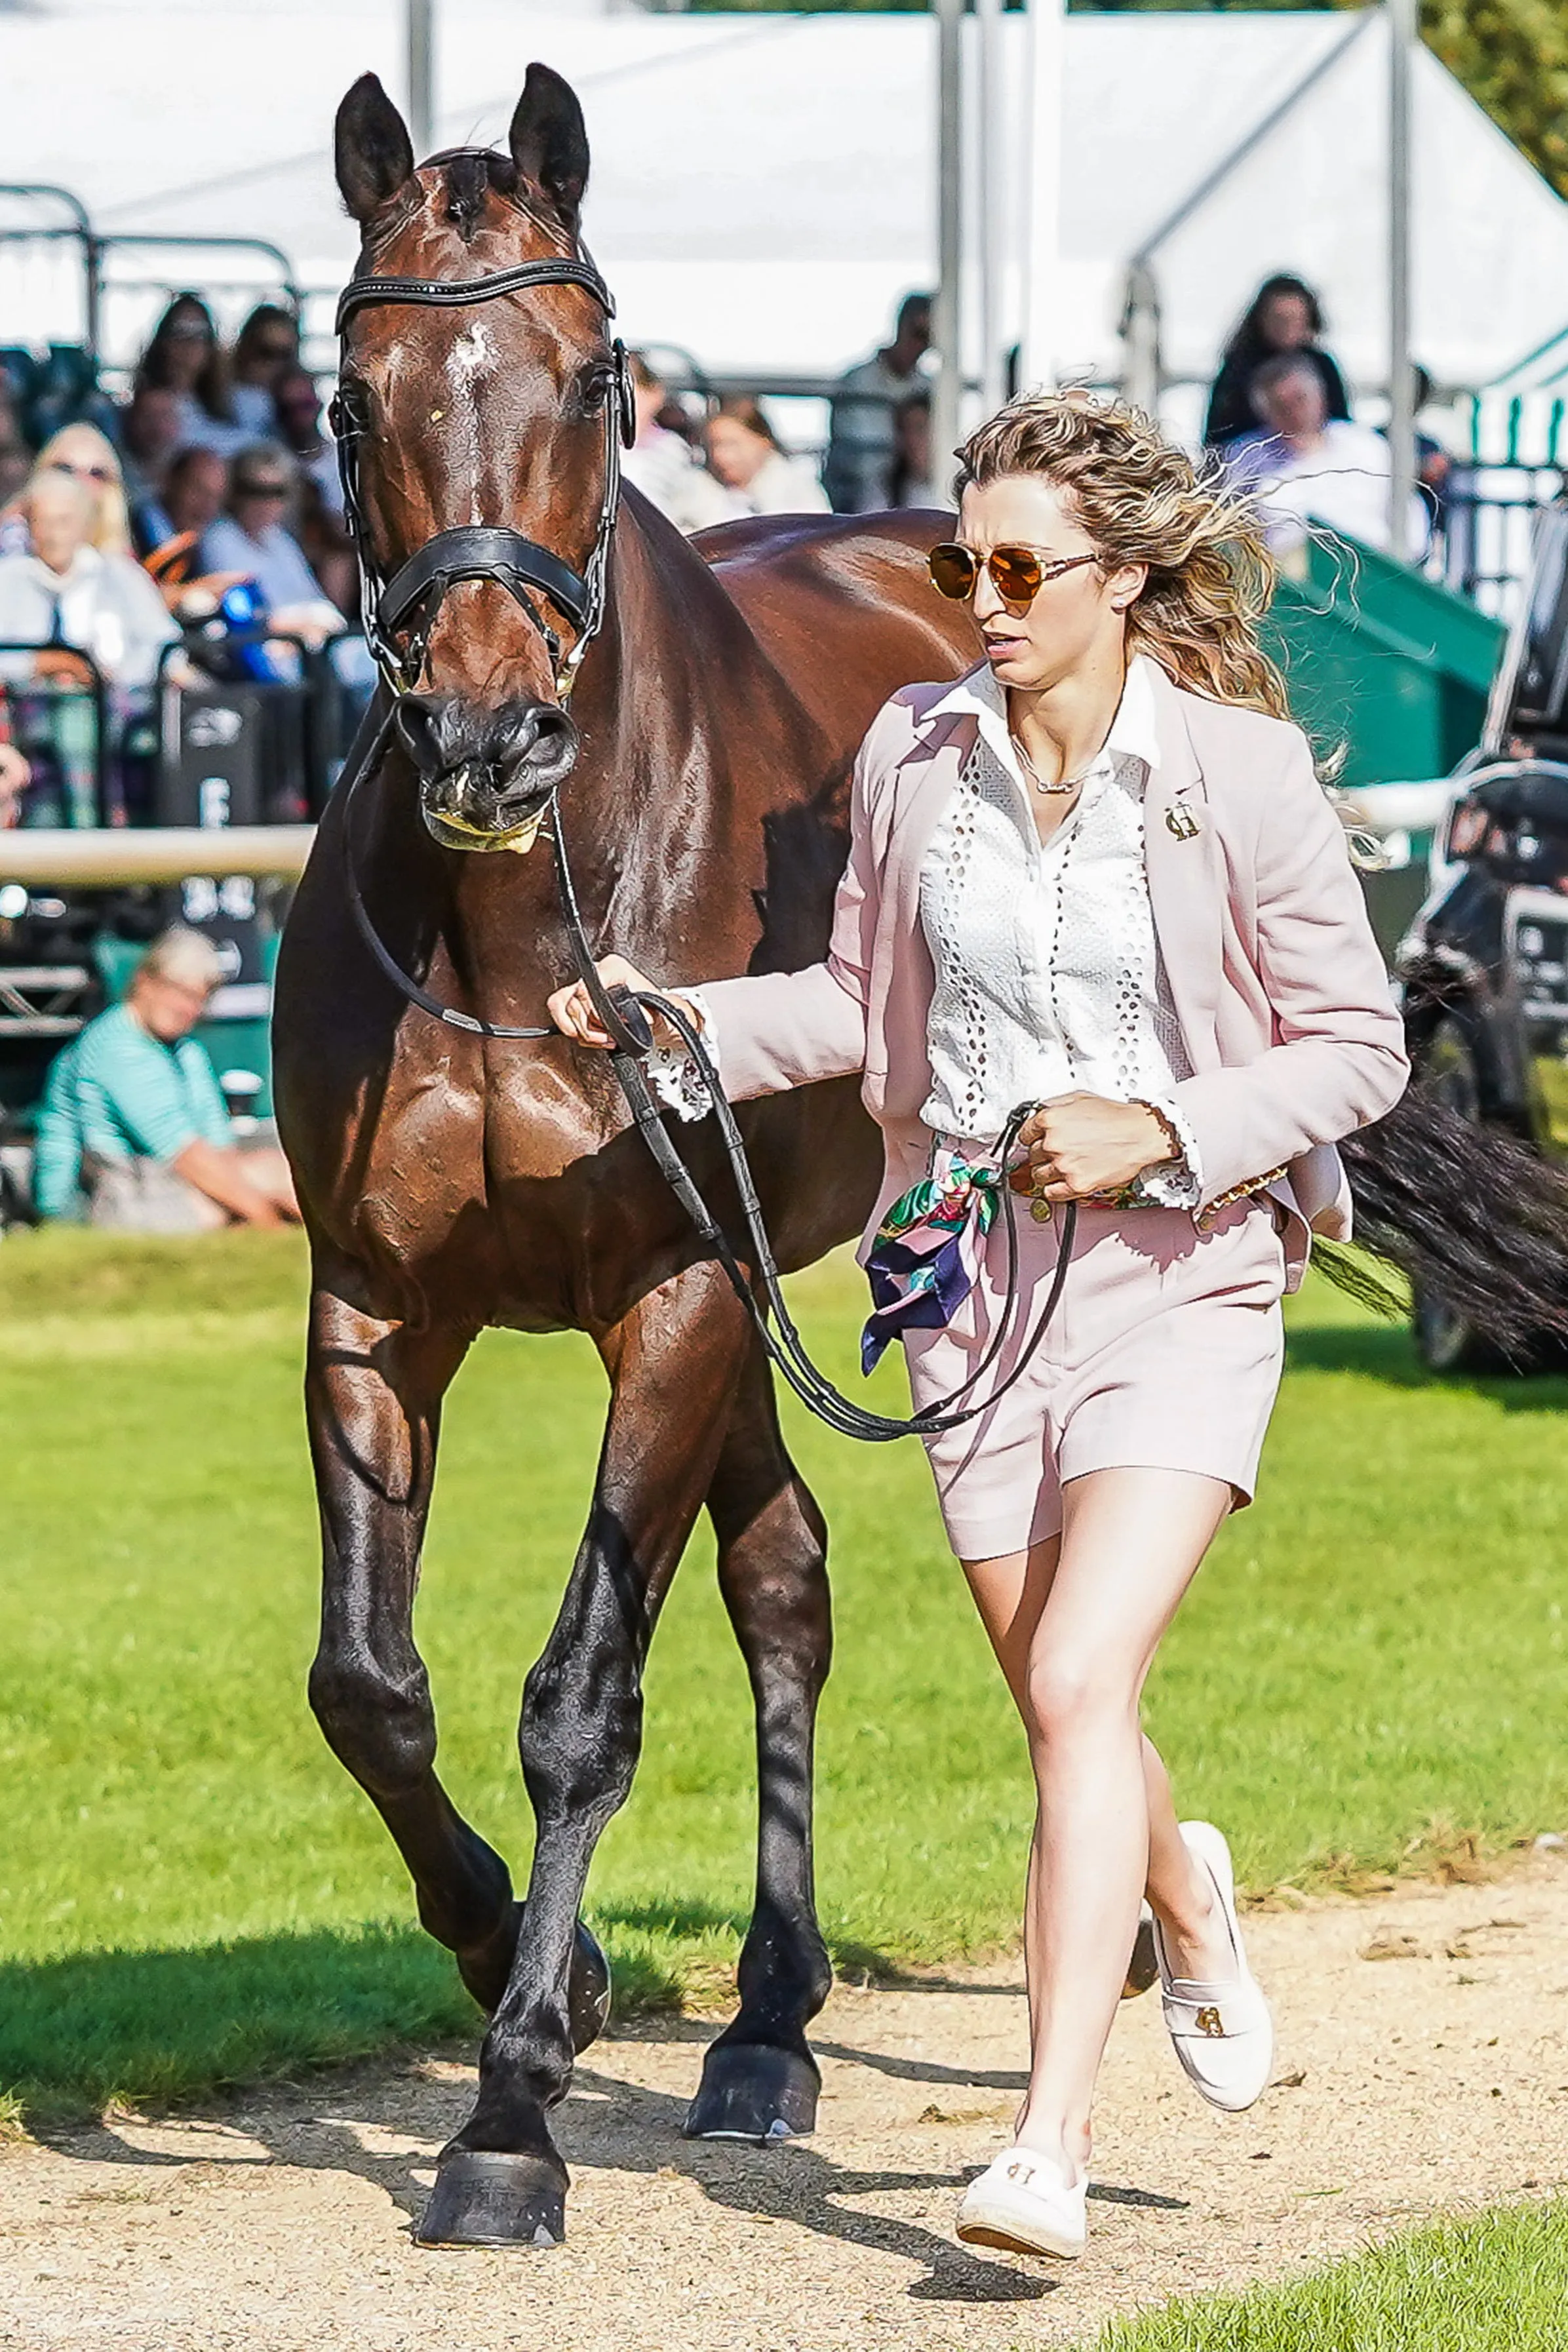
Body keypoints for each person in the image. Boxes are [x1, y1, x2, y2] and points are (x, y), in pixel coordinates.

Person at [550, 387, 1407, 2265]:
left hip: (1182, 1281)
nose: (983, 599)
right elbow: (862, 999)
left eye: (1020, 568)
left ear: (1128, 577)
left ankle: (1045, 2145)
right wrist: (675, 1024)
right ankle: (1183, 1888)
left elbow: (1360, 1048)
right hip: (962, 1285)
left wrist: (1163, 1124)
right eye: (964, 563)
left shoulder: (1236, 778)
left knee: (1084, 1683)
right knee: (1059, 1695)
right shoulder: (913, 753)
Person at [31, 928, 300, 1230]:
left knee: (280, 1171)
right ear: (145, 981)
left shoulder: (186, 1051)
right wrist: (266, 1219)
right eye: (182, 993)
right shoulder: (114, 1046)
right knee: (249, 1192)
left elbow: (220, 1146)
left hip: (161, 1183)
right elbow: (184, 1155)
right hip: (104, 1197)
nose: (190, 1009)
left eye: (201, 999)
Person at [1223, 353, 1421, 560]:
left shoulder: (1366, 446)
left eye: (1300, 399)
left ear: (1320, 397)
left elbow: (1409, 518)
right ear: (1264, 411)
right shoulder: (1246, 458)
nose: (1293, 412)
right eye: (1281, 406)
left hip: (1372, 566)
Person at [197, 444, 346, 642]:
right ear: (235, 493)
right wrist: (301, 623)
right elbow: (240, 613)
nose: (267, 503)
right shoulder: (219, 537)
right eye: (256, 491)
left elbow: (314, 598)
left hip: (302, 642)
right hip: (251, 648)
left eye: (277, 492)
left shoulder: (280, 539)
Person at [1204, 275, 1350, 451]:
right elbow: (1218, 433)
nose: (1287, 328)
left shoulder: (1322, 366)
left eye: (1295, 319)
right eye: (1279, 320)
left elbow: (1340, 423)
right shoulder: (1239, 368)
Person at [825, 292, 933, 513]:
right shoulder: (858, 383)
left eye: (929, 338)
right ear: (900, 326)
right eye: (918, 333)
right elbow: (858, 460)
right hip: (854, 497)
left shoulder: (928, 387)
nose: (921, 345)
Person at [621, 354, 732, 536]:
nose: (618, 404)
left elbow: (715, 514)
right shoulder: (593, 452)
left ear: (654, 394)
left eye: (626, 390)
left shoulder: (673, 452)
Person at [132, 293, 243, 458]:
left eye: (200, 333)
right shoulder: (148, 407)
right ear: (163, 341)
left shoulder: (236, 404)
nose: (189, 342)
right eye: (180, 330)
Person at [0, 423, 133, 559]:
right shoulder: (14, 534)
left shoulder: (121, 560)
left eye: (96, 473)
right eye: (66, 469)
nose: (81, 481)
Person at [703, 399, 830, 519]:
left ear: (763, 442)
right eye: (712, 446)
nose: (719, 455)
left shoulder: (798, 490)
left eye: (731, 444)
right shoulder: (698, 490)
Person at [229, 304, 301, 440]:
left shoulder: (294, 409)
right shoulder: (215, 400)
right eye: (267, 351)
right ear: (246, 347)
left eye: (285, 354)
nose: (276, 363)